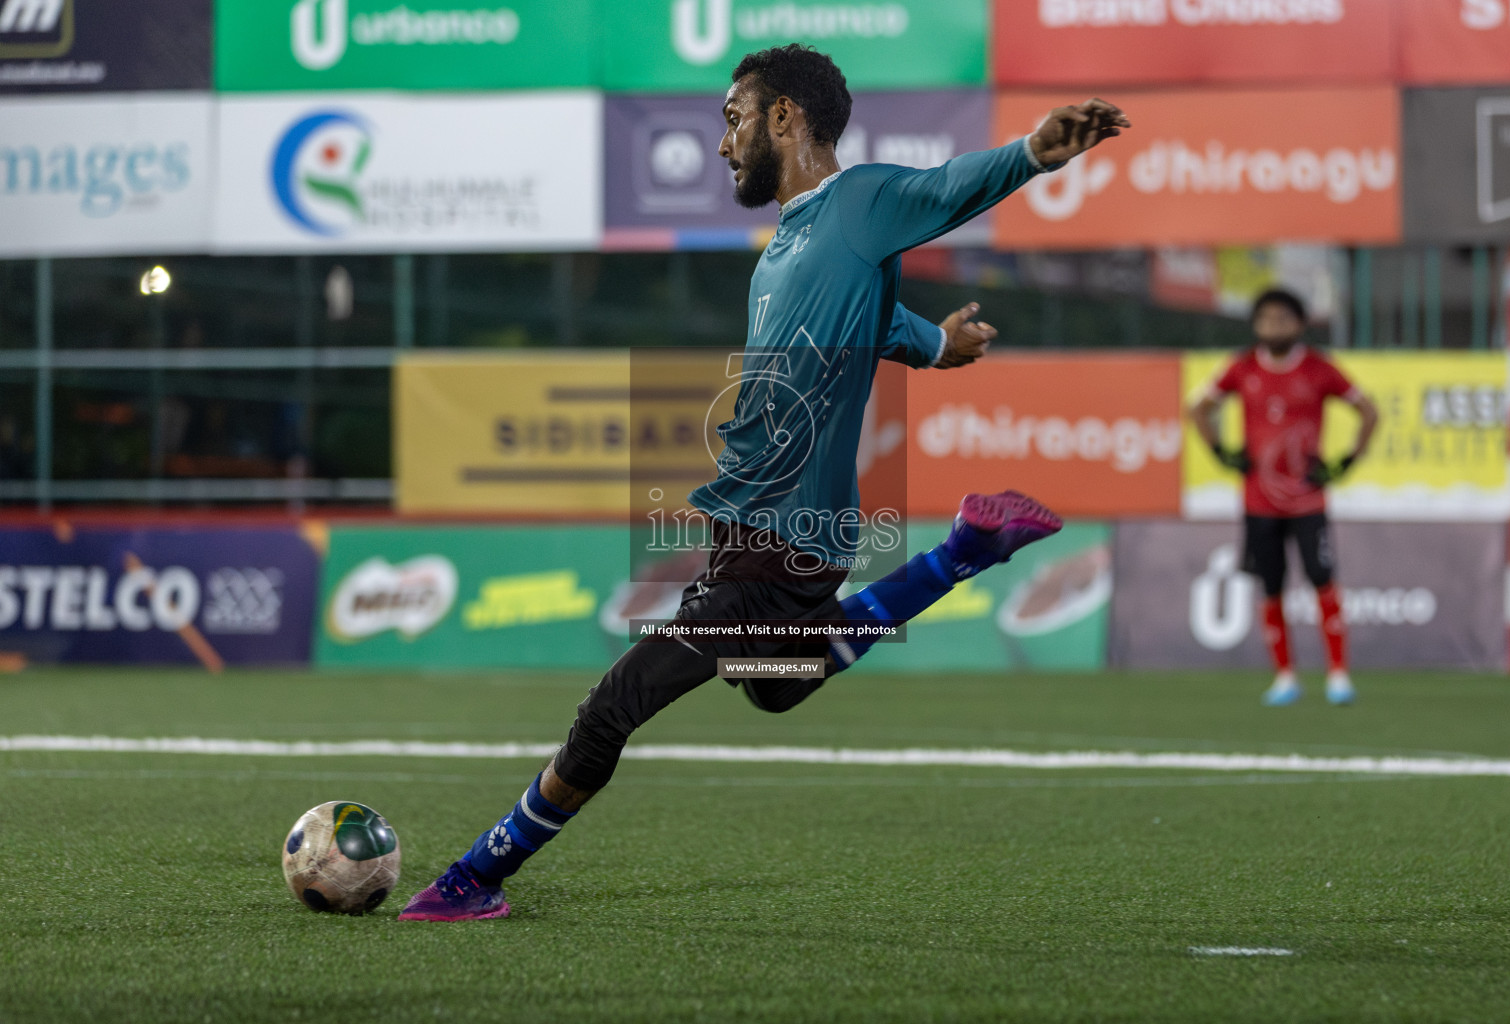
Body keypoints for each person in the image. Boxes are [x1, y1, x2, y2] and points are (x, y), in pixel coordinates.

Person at [399, 44, 1130, 921]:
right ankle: (963, 554)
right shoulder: (787, 246)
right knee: (779, 683)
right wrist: (935, 346)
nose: (722, 143)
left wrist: (1034, 153)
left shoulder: (857, 201)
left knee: (610, 709)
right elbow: (867, 317)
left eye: (733, 118)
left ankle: (475, 877)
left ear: (785, 117)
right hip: (757, 542)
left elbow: (946, 188)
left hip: (777, 550)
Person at [1187, 288, 1378, 708]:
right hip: (1258, 503)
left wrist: (1345, 462)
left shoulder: (1319, 369)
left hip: (1309, 501)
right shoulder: (1241, 368)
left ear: (1300, 323)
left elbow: (1369, 410)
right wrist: (1221, 451)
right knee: (1270, 588)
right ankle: (1285, 677)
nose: (1274, 327)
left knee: (1322, 581)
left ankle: (1338, 675)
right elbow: (1198, 407)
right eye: (1266, 320)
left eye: (1283, 319)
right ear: (1255, 325)